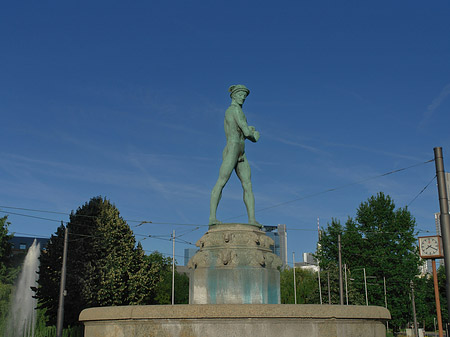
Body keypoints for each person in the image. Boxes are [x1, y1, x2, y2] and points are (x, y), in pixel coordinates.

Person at [209, 84, 260, 225]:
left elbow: (242, 131)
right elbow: (247, 133)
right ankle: (212, 217)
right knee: (221, 181)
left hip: (240, 151)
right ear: (233, 95)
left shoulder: (236, 111)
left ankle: (252, 219)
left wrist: (247, 131)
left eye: (244, 95)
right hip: (233, 148)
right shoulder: (234, 110)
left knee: (248, 185)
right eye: (240, 94)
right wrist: (255, 134)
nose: (242, 97)